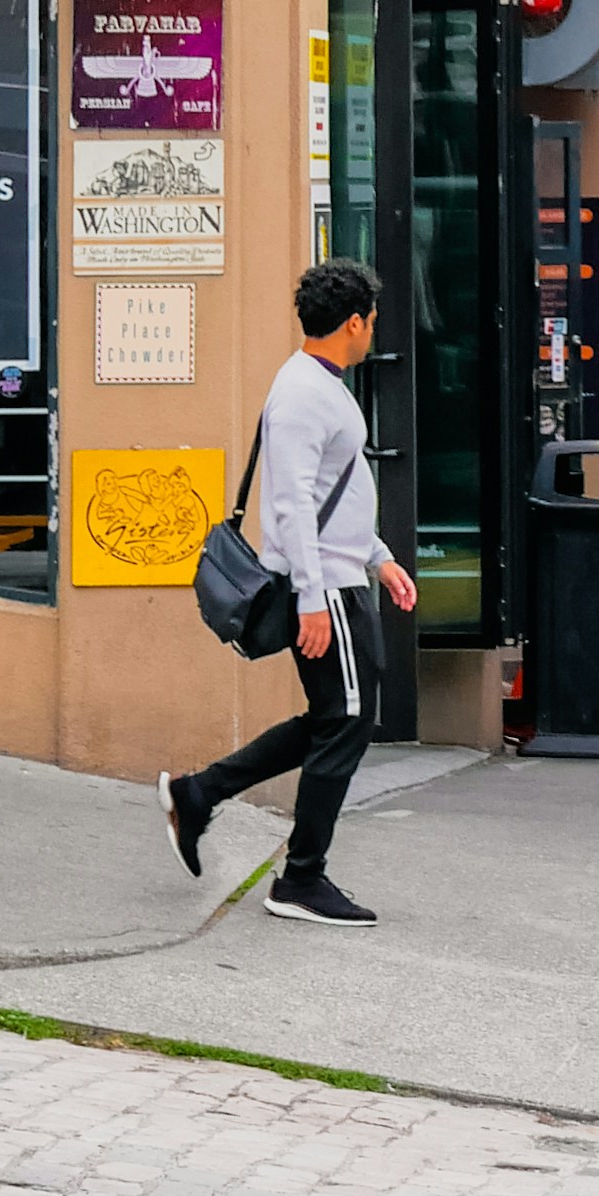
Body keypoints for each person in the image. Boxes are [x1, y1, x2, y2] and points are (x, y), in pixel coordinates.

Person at [160, 257, 418, 926]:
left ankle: (199, 794)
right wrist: (310, 596)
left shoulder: (318, 384)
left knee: (333, 718)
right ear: (354, 322)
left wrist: (380, 557)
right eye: (372, 321)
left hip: (340, 577)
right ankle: (301, 878)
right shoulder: (306, 390)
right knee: (348, 721)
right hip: (325, 588)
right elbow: (293, 501)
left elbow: (340, 490)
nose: (373, 333)